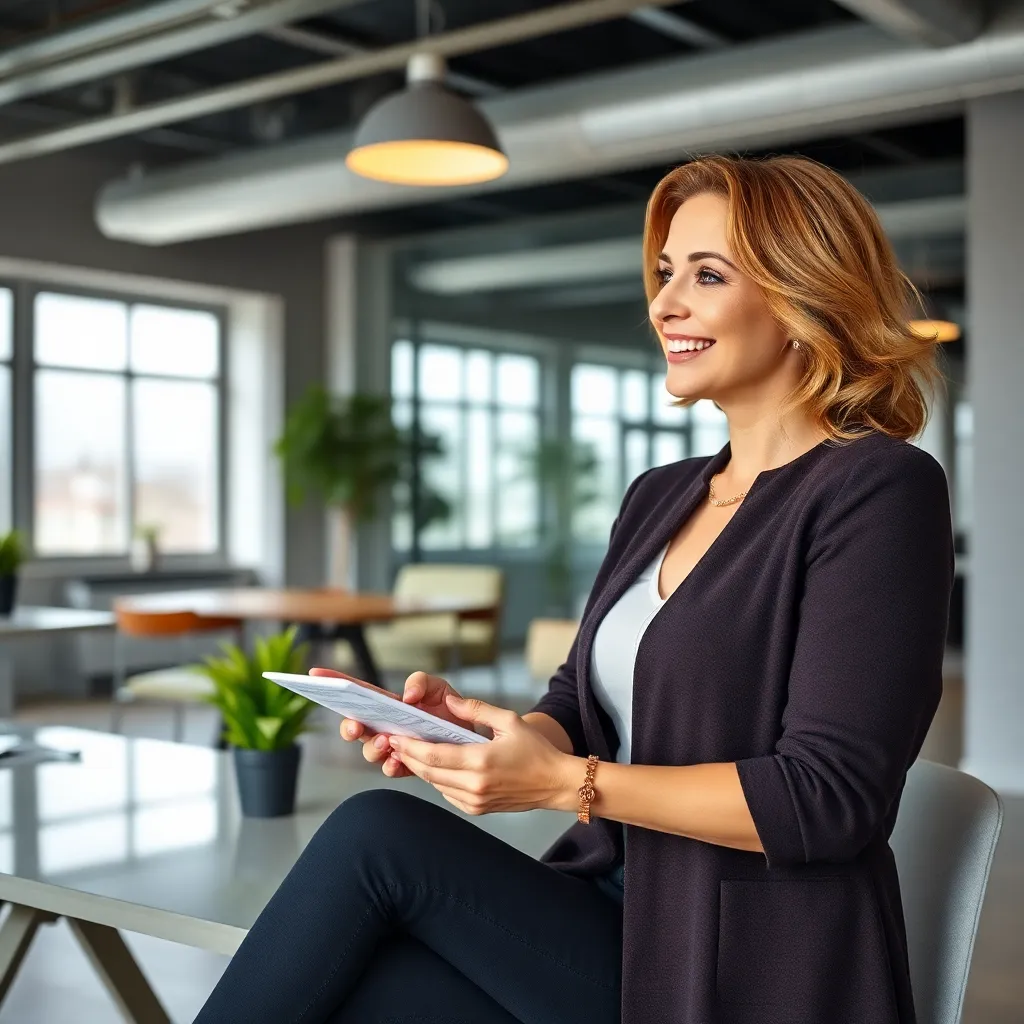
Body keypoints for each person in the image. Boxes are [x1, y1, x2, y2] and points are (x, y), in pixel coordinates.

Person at [194, 155, 954, 1024]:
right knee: (359, 986)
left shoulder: (879, 490)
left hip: (743, 963)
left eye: (707, 275)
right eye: (667, 273)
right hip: (609, 911)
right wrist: (480, 738)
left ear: (800, 298)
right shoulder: (661, 495)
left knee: (376, 839)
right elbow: (581, 706)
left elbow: (828, 798)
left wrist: (564, 783)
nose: (665, 303)